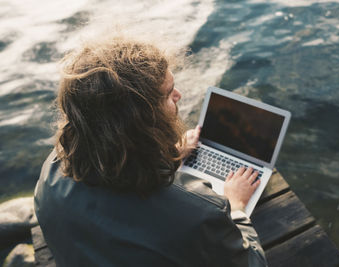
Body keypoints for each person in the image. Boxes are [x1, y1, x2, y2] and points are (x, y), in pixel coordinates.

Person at [34, 34, 267, 267]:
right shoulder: (200, 212)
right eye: (168, 93)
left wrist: (170, 153)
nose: (179, 96)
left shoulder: (49, 176)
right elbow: (251, 263)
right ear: (138, 119)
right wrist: (236, 207)